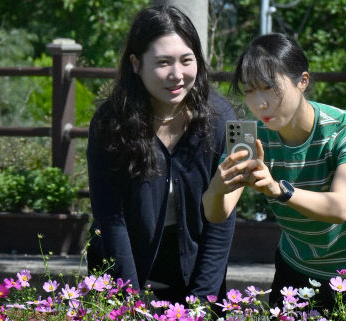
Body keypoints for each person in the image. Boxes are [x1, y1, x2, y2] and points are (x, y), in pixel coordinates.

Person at [203, 33, 346, 312]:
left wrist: (279, 190)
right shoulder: (253, 139)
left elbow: (341, 206)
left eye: (269, 88)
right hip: (298, 266)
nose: (260, 103)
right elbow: (216, 213)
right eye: (249, 91)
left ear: (302, 81)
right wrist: (218, 187)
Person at [86, 4, 235, 303]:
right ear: (136, 64)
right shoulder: (109, 123)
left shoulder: (222, 118)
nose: (177, 75)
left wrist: (203, 303)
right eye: (163, 62)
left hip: (196, 272)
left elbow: (223, 220)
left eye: (186, 60)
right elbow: (110, 217)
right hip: (123, 267)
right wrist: (129, 302)